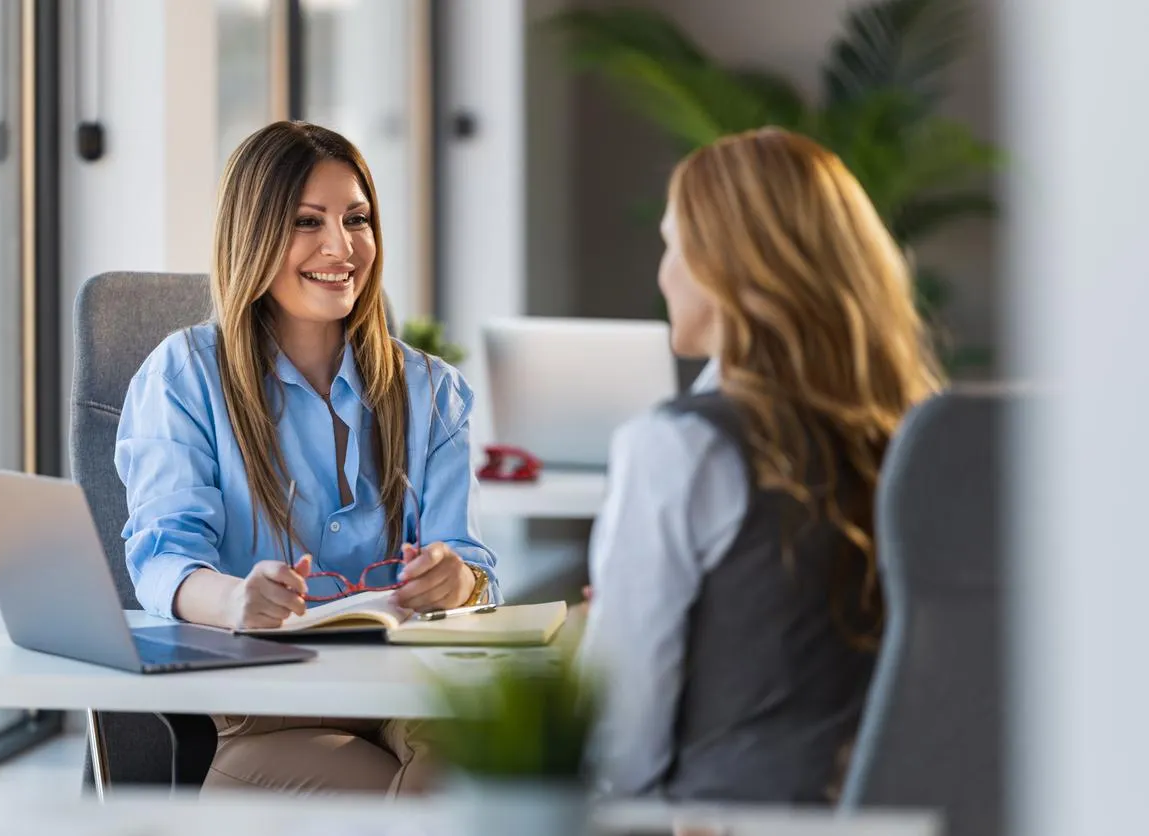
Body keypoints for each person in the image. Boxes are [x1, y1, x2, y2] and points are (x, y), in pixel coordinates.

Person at [114, 121, 498, 796]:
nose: (340, 246)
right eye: (305, 221)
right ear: (254, 233)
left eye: (356, 218)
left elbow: (468, 559)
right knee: (422, 800)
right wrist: (237, 598)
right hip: (265, 706)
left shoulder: (430, 390)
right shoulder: (185, 375)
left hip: (412, 696)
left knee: (462, 772)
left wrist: (455, 580)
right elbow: (162, 559)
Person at [579, 128, 943, 803]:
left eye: (671, 245)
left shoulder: (679, 446)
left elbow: (620, 747)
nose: (661, 273)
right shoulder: (919, 437)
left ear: (723, 264)